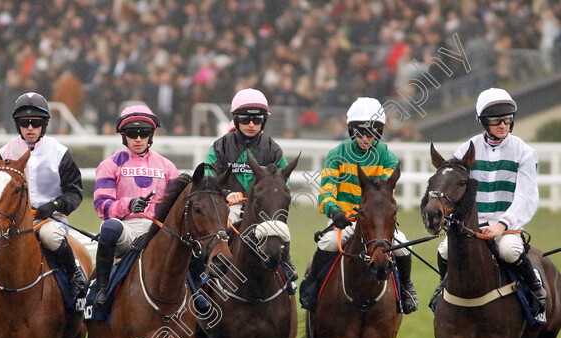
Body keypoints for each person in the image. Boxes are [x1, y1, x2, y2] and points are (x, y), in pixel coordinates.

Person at [433, 87, 546, 322]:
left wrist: (502, 225)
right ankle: (442, 290)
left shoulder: (524, 152)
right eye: (496, 121)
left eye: (507, 120)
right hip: (472, 223)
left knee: (509, 250)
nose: (503, 125)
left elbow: (526, 196)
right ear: (483, 122)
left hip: (507, 223)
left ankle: (537, 293)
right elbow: (457, 191)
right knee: (444, 250)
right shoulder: (465, 150)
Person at [299, 97, 418, 314]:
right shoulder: (337, 154)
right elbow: (326, 192)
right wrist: (334, 211)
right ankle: (312, 286)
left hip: (375, 223)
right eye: (359, 132)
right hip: (343, 222)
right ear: (351, 131)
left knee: (403, 246)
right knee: (326, 243)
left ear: (379, 132)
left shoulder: (387, 158)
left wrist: (366, 215)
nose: (364, 138)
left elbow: (382, 198)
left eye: (370, 133)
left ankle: (406, 289)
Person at [0, 92, 86, 300]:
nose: (30, 128)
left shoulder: (61, 153)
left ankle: (75, 274)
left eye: (36, 123)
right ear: (18, 125)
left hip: (50, 218)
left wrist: (54, 205)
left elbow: (75, 193)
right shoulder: (3, 153)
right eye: (24, 123)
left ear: (44, 124)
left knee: (50, 237)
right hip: (11, 219)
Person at [203, 88, 297, 289]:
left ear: (264, 120)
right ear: (236, 120)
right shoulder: (221, 146)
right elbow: (208, 176)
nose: (251, 124)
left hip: (261, 209)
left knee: (280, 229)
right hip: (229, 208)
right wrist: (226, 194)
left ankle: (285, 265)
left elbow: (283, 183)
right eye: (245, 119)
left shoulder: (273, 149)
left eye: (257, 120)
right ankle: (206, 276)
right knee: (219, 232)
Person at [90, 104, 181, 308]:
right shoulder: (110, 165)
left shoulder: (168, 167)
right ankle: (102, 287)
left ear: (151, 135)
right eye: (132, 134)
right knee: (109, 228)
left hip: (158, 230)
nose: (138, 139)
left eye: (144, 133)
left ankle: (198, 291)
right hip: (127, 229)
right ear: (124, 136)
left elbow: (176, 205)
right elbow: (101, 206)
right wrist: (129, 205)